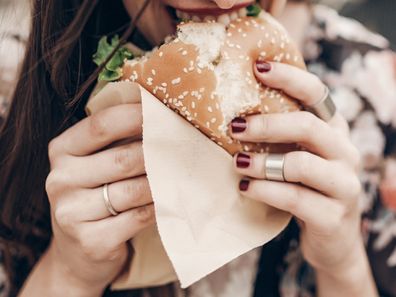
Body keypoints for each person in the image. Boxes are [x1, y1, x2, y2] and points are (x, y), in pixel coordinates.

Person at [0, 0, 394, 296]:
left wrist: (342, 264)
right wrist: (69, 273)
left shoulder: (377, 89)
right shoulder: (11, 87)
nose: (224, 1)